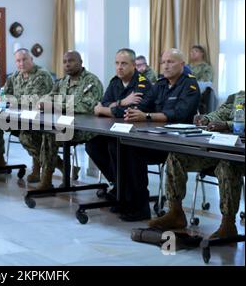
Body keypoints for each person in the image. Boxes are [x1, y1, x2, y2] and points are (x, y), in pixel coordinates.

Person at [87, 48, 201, 221]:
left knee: (132, 152)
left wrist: (146, 116)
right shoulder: (160, 85)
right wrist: (130, 111)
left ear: (182, 64)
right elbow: (143, 104)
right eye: (163, 62)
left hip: (175, 141)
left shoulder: (190, 85)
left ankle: (140, 207)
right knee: (120, 147)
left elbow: (180, 114)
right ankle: (125, 198)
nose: (166, 66)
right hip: (153, 136)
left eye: (171, 62)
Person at [149, 91, 245, 239]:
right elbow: (223, 112)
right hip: (222, 146)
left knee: (228, 163)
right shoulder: (239, 95)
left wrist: (227, 124)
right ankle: (175, 213)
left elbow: (229, 121)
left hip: (239, 155)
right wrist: (206, 119)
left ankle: (228, 223)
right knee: (177, 156)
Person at [89, 48, 152, 199]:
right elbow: (103, 103)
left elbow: (129, 112)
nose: (119, 67)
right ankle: (118, 183)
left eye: (124, 63)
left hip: (136, 133)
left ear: (133, 65)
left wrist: (105, 109)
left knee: (114, 146)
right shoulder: (115, 82)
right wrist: (122, 102)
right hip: (115, 130)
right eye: (117, 63)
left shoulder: (142, 83)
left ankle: (123, 189)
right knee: (93, 145)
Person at [37, 51, 104, 190]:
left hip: (85, 128)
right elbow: (48, 97)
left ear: (81, 62)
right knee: (37, 133)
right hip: (63, 125)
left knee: (50, 134)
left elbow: (86, 106)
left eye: (71, 61)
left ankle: (47, 179)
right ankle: (52, 176)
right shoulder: (62, 82)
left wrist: (55, 106)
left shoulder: (91, 81)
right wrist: (42, 103)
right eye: (65, 62)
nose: (67, 64)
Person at [0, 48, 54, 182]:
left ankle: (49, 166)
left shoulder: (42, 75)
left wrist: (12, 100)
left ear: (31, 59)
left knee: (27, 136)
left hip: (41, 119)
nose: (21, 63)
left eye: (24, 59)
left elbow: (34, 101)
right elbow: (4, 93)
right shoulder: (15, 76)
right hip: (20, 118)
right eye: (18, 60)